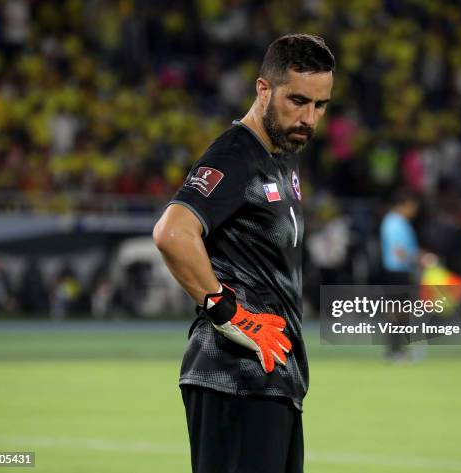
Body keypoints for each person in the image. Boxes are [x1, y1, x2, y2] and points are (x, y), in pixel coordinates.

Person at [152, 34, 335, 473]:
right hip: (234, 380)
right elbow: (173, 233)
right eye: (297, 101)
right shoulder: (235, 156)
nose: (308, 118)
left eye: (321, 105)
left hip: (272, 378)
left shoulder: (282, 156)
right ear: (263, 89)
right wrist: (226, 310)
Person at [379, 191, 420, 359]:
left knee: (399, 312)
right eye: (413, 206)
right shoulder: (394, 222)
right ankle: (394, 350)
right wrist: (420, 259)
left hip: (398, 272)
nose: (415, 210)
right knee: (397, 313)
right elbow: (399, 252)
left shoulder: (397, 221)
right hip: (397, 272)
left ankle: (397, 349)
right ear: (405, 204)